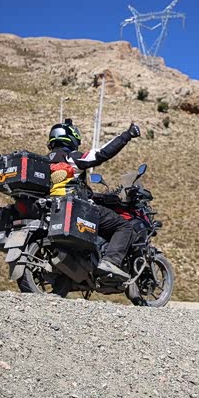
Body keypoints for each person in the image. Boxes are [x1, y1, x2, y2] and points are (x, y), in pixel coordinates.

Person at [46, 119, 141, 280]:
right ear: (71, 138)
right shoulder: (71, 158)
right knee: (124, 226)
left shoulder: (43, 162)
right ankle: (110, 261)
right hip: (75, 208)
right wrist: (127, 135)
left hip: (51, 207)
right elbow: (101, 154)